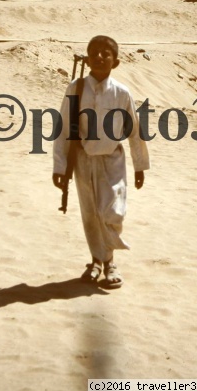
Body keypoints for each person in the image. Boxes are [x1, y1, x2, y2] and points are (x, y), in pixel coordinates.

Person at [53, 35, 150, 288]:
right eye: (94, 53)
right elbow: (63, 128)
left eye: (105, 54)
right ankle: (100, 262)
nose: (99, 57)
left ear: (115, 62)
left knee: (112, 212)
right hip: (83, 161)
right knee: (90, 214)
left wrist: (140, 165)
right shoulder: (75, 88)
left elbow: (134, 130)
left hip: (112, 161)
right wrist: (60, 166)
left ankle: (108, 258)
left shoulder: (122, 93)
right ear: (86, 59)